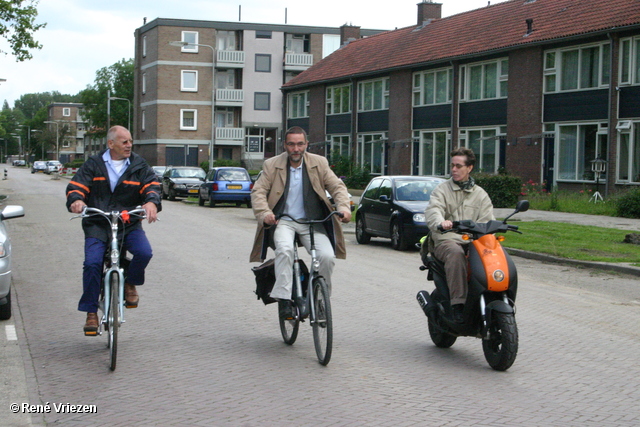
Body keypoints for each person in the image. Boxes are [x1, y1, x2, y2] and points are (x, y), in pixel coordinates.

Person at [66, 125, 161, 335]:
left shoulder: (138, 164)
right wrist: (77, 199)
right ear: (111, 144)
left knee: (144, 252)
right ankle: (91, 312)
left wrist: (151, 202)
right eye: (124, 142)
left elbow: (152, 185)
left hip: (128, 223)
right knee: (92, 263)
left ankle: (130, 282)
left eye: (130, 141)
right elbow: (76, 185)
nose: (129, 146)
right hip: (98, 223)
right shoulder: (94, 164)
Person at [250, 126, 352, 319]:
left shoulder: (319, 163)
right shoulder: (272, 165)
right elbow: (259, 192)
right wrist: (265, 213)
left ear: (306, 144)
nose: (296, 149)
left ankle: (320, 300)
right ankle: (284, 300)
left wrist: (344, 207)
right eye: (291, 144)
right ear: (285, 145)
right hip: (283, 221)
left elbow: (337, 186)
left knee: (327, 256)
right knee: (285, 250)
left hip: (312, 222)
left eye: (299, 144)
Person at [425, 147, 494, 323]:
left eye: (458, 166)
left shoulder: (480, 195)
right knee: (456, 254)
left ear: (469, 168)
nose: (454, 169)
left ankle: (493, 295)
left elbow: (487, 220)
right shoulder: (441, 190)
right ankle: (458, 305)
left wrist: (495, 227)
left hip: (471, 241)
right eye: (452, 165)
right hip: (446, 240)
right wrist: (441, 223)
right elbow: (434, 210)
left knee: (493, 254)